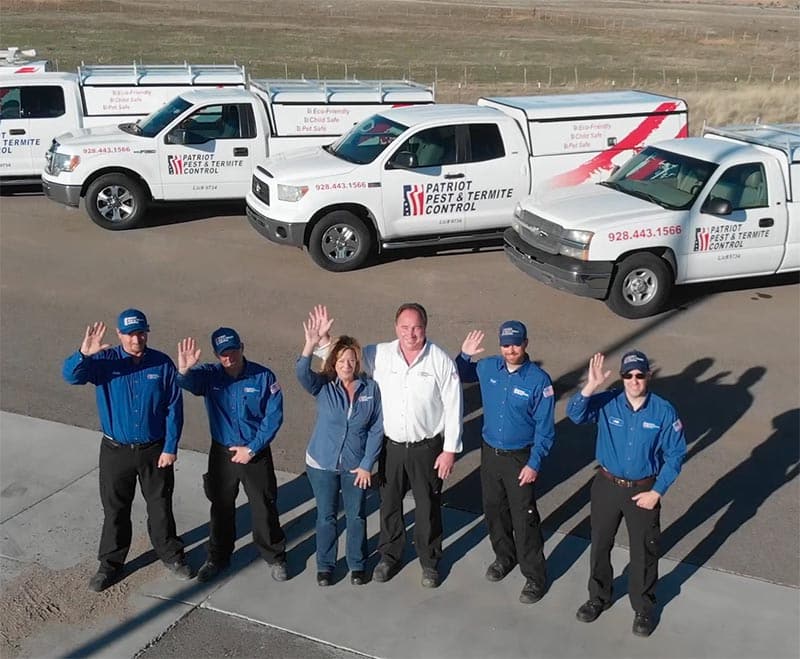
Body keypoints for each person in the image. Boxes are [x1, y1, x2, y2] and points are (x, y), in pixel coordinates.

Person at [315, 303, 463, 588]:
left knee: (427, 506)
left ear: (425, 328)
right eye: (405, 327)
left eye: (417, 327)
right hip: (391, 447)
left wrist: (450, 450)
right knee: (390, 504)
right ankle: (390, 556)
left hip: (427, 448)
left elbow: (454, 404)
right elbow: (346, 361)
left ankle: (430, 562)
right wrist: (323, 340)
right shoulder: (379, 354)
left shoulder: (440, 360)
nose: (411, 334)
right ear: (396, 328)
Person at [62, 309, 190, 592]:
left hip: (154, 451)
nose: (136, 339)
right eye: (130, 334)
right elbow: (71, 377)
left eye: (141, 332)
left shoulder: (162, 363)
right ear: (119, 335)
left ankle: (170, 554)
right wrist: (84, 354)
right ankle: (110, 564)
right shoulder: (104, 362)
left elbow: (173, 409)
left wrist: (170, 447)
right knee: (116, 509)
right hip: (115, 451)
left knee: (160, 506)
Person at [567, 350, 686, 637]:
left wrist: (657, 492)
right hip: (607, 486)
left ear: (649, 376)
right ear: (621, 378)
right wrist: (590, 386)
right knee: (600, 544)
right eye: (628, 375)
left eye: (639, 375)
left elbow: (676, 454)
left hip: (644, 490)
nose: (634, 380)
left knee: (644, 551)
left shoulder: (663, 411)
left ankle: (643, 609)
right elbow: (574, 414)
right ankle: (598, 597)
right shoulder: (607, 402)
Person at [176, 328, 288, 583]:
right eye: (223, 354)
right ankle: (218, 557)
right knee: (221, 506)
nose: (229, 358)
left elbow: (273, 417)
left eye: (233, 351)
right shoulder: (209, 376)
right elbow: (186, 383)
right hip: (223, 453)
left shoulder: (263, 376)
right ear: (216, 355)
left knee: (263, 505)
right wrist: (183, 370)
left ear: (242, 347)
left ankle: (275, 556)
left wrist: (252, 448)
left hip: (254, 452)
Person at [456, 321, 555, 604]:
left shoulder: (539, 381)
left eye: (516, 344)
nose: (510, 349)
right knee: (494, 510)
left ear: (526, 344)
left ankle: (535, 576)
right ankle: (504, 557)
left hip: (519, 458)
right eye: (506, 344)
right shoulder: (488, 368)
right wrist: (465, 354)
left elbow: (545, 428)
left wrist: (534, 462)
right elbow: (459, 374)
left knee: (524, 518)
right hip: (490, 454)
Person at [297, 313, 383, 587]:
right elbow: (301, 372)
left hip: (355, 465)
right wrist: (310, 345)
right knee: (326, 516)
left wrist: (368, 463)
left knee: (356, 515)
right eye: (341, 360)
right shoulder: (323, 386)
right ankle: (325, 566)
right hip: (322, 464)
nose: (346, 364)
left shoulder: (370, 389)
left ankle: (357, 564)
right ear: (333, 362)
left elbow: (377, 428)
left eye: (351, 360)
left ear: (358, 363)